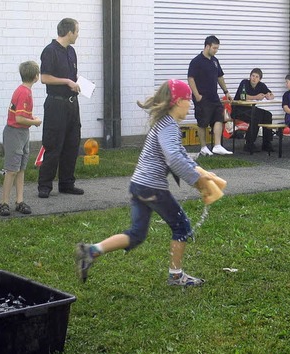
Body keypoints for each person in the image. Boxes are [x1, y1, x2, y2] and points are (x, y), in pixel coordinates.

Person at [75, 79, 213, 287]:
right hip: (152, 187)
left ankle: (91, 251)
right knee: (182, 226)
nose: (190, 104)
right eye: (188, 100)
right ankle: (176, 276)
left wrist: (198, 170)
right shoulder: (168, 126)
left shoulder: (165, 124)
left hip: (138, 184)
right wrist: (198, 182)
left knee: (137, 234)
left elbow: (181, 155)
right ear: (177, 101)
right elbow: (174, 158)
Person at [38, 18, 84, 198]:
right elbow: (45, 78)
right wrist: (66, 81)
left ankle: (67, 183)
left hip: (72, 104)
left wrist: (80, 84)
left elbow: (72, 76)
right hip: (56, 104)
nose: (78, 35)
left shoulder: (71, 52)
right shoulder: (50, 51)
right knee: (53, 144)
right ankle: (45, 185)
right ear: (69, 32)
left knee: (72, 143)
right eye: (77, 31)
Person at [0, 61, 42, 217]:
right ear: (36, 76)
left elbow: (23, 116)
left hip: (23, 133)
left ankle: (19, 200)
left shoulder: (25, 91)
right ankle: (4, 202)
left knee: (21, 168)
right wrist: (35, 122)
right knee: (11, 170)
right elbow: (19, 119)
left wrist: (30, 118)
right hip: (14, 133)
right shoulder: (24, 92)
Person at [187, 35, 233, 156]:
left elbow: (220, 77)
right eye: (214, 48)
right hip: (202, 97)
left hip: (214, 96)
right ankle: (203, 147)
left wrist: (226, 91)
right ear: (207, 46)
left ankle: (217, 145)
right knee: (203, 122)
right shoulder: (196, 61)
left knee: (219, 118)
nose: (216, 50)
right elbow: (190, 78)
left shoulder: (215, 61)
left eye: (217, 48)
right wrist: (197, 95)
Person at [231, 68, 275, 153]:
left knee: (268, 115)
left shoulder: (261, 85)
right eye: (253, 76)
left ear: (260, 79)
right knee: (256, 115)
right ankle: (249, 143)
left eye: (257, 77)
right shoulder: (244, 83)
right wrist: (256, 97)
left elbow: (271, 94)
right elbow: (242, 96)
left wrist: (269, 95)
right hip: (238, 109)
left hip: (250, 108)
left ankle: (267, 143)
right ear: (250, 77)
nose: (254, 78)